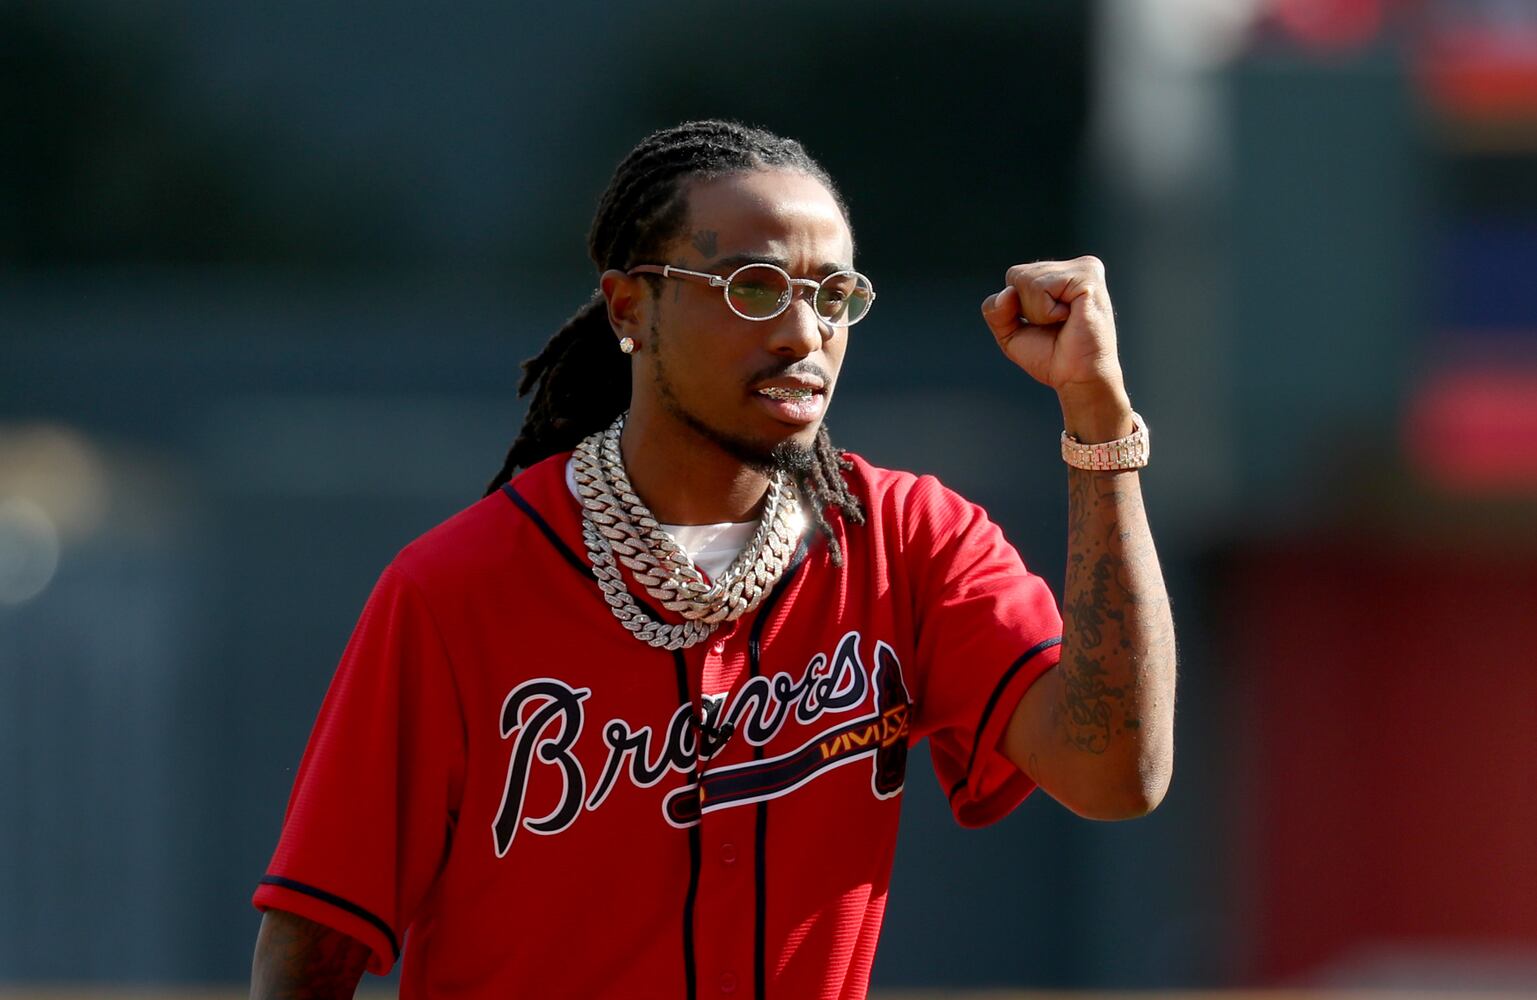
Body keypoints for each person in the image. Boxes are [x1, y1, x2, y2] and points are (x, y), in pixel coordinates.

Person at [249, 120, 1176, 999]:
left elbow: (1115, 773)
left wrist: (1098, 421)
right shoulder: (455, 589)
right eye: (754, 288)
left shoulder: (909, 541)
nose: (803, 333)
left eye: (833, 295)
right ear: (630, 306)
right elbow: (312, 942)